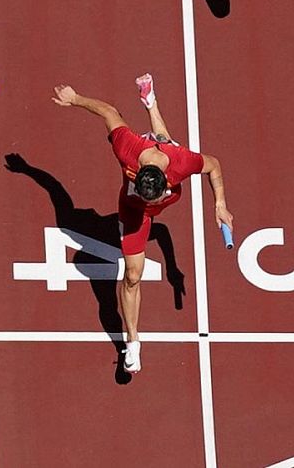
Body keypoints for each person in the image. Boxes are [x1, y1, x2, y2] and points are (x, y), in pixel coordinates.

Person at [51, 76, 232, 374]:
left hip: (166, 156)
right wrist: (76, 99)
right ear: (137, 176)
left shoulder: (181, 164)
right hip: (134, 215)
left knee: (165, 142)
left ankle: (151, 103)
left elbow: (213, 165)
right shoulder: (127, 149)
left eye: (158, 195)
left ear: (166, 185)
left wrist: (220, 204)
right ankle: (132, 342)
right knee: (132, 276)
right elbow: (110, 112)